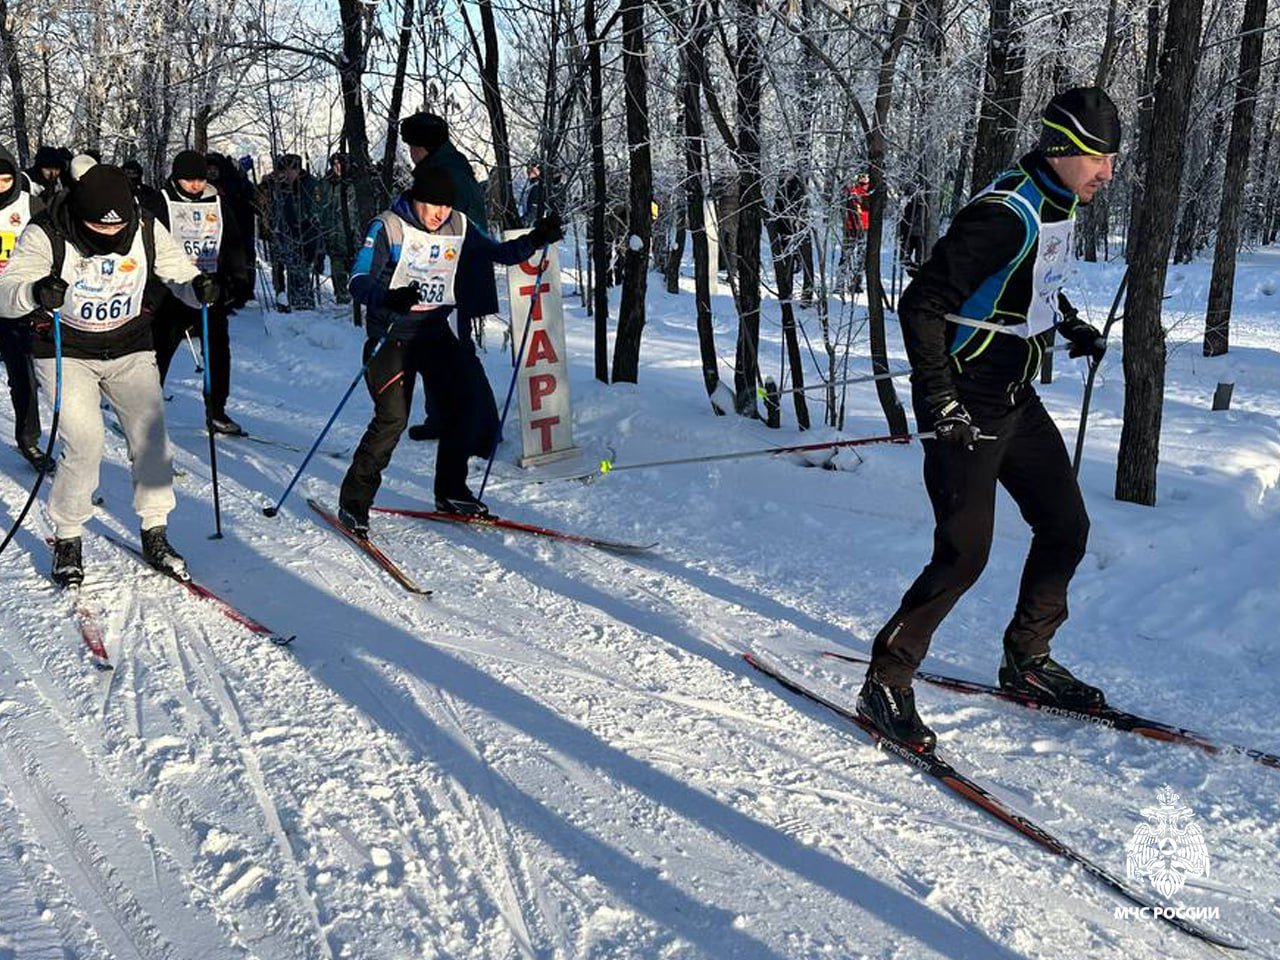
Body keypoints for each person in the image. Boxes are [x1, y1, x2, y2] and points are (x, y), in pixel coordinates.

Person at [856, 87, 1120, 753]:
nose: (1108, 172)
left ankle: (1027, 661)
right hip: (964, 400)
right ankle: (885, 682)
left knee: (1065, 527)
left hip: (1012, 393)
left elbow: (1029, 284)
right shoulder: (1004, 214)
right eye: (1097, 157)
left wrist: (1068, 324)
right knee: (964, 553)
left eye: (1112, 158)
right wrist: (939, 401)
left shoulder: (1055, 200)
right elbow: (921, 305)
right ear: (1061, 151)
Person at [0, 164, 219, 587]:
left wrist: (200, 288)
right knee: (84, 442)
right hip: (66, 349)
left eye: (114, 229)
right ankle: (68, 536)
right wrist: (33, 293)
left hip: (129, 346)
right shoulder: (46, 231)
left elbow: (180, 274)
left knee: (151, 438)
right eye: (97, 228)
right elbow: (6, 296)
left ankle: (155, 530)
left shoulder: (146, 226)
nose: (107, 236)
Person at [336, 166, 562, 533]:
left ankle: (451, 490)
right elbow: (358, 280)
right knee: (392, 420)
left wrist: (537, 238)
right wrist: (388, 297)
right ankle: (354, 502)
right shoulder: (388, 226)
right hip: (392, 335)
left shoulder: (458, 223)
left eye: (446, 205)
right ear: (416, 198)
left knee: (463, 405)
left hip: (433, 331)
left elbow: (499, 254)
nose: (440, 213)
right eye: (433, 205)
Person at [143, 149, 251, 435]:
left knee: (218, 351)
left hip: (209, 289)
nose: (196, 186)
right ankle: (144, 413)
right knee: (159, 352)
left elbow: (232, 242)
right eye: (189, 180)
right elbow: (146, 248)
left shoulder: (216, 201)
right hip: (171, 292)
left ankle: (216, 411)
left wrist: (238, 279)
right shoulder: (161, 201)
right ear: (177, 178)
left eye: (200, 179)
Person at [0, 144, 51, 471]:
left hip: (16, 300)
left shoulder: (30, 204)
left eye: (5, 179)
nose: (0, 185)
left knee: (24, 375)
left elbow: (52, 246)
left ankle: (29, 439)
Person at [265, 154, 321, 311]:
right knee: (278, 266)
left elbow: (315, 211)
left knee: (299, 269)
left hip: (303, 233)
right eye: (284, 170)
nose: (287, 174)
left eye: (291, 170)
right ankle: (281, 297)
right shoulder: (277, 185)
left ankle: (302, 302)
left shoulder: (308, 184)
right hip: (280, 233)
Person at [314, 153, 358, 309]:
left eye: (340, 163)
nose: (337, 167)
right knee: (338, 273)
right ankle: (342, 302)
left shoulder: (354, 184)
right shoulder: (326, 184)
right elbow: (319, 206)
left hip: (353, 237)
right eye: (334, 164)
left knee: (357, 274)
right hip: (334, 238)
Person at [521, 160, 543, 226]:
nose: (529, 170)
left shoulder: (537, 187)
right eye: (528, 168)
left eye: (533, 167)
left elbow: (534, 209)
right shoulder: (530, 186)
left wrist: (526, 220)